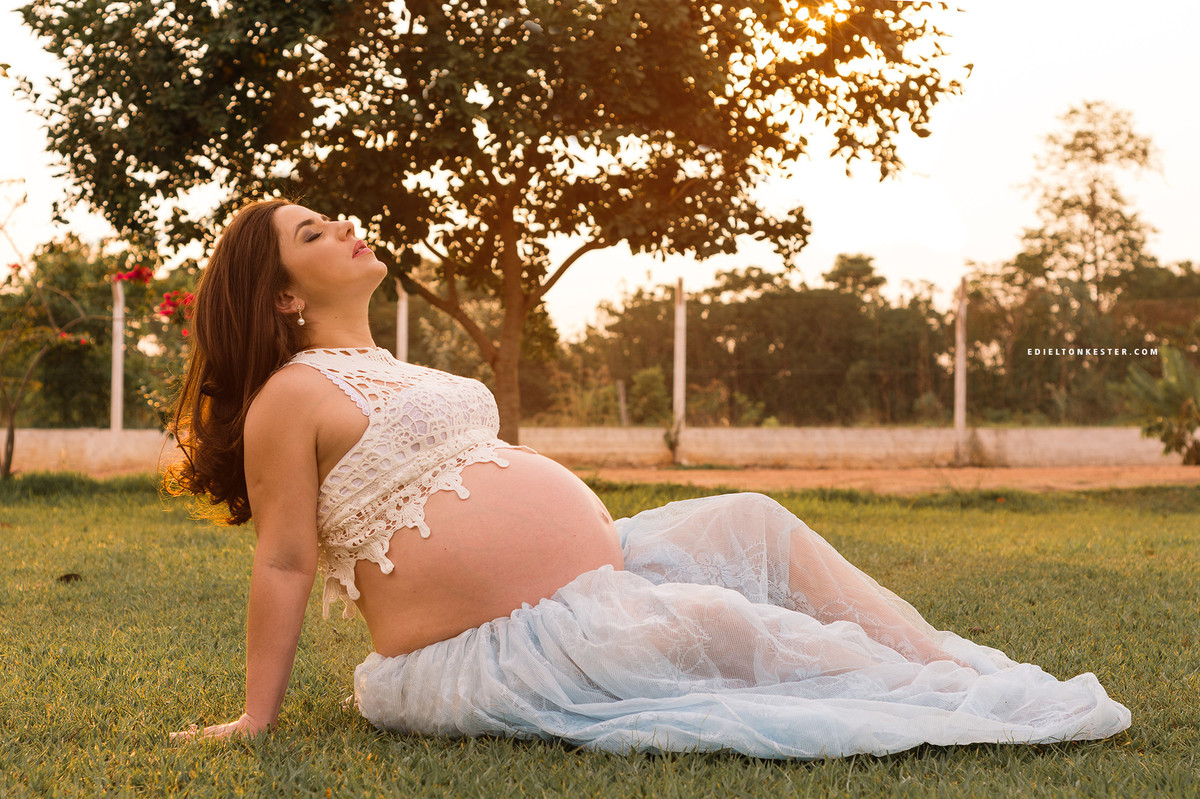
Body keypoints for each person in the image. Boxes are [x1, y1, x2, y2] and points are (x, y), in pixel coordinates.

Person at [167, 199, 1130, 758]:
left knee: (751, 518)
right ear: (283, 296)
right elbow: (284, 560)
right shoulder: (291, 396)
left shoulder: (393, 367)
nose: (343, 226)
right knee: (713, 623)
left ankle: (943, 672)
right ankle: (919, 694)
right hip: (495, 649)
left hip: (595, 577)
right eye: (311, 234)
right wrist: (256, 715)